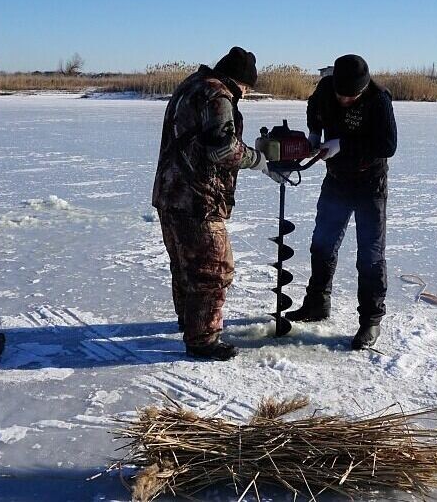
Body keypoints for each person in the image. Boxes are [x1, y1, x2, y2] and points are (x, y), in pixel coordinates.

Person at [152, 46, 283, 361]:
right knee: (214, 269)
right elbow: (222, 149)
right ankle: (203, 340)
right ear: (241, 82)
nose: (247, 93)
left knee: (186, 266)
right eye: (248, 88)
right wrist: (258, 160)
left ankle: (192, 325)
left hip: (170, 193)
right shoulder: (218, 95)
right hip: (197, 199)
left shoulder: (192, 85)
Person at [285, 54, 397, 350]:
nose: (346, 100)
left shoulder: (378, 99)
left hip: (370, 184)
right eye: (341, 94)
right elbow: (314, 108)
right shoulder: (325, 89)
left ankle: (370, 320)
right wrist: (314, 133)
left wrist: (343, 143)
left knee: (370, 256)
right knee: (322, 243)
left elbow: (388, 145)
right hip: (336, 180)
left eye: (352, 96)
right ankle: (317, 303)